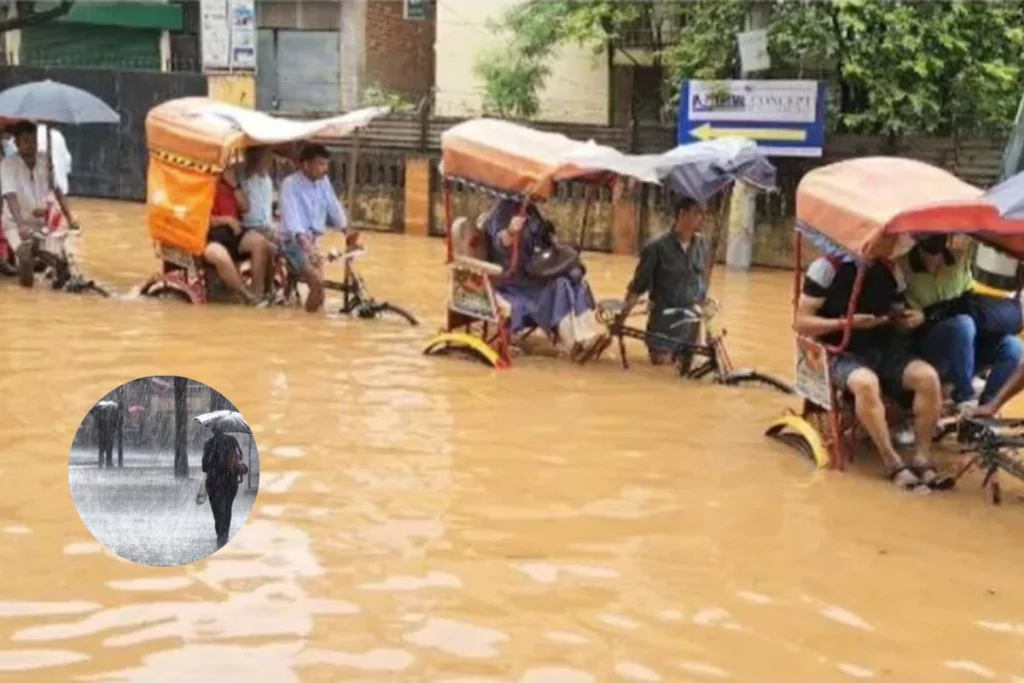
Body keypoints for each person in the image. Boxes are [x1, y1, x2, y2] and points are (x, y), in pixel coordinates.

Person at [795, 254, 951, 492]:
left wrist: (912, 319)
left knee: (928, 378)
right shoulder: (826, 268)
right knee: (865, 383)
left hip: (884, 350)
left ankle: (921, 458)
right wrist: (846, 323)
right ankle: (892, 462)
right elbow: (801, 322)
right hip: (839, 352)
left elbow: (897, 317)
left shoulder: (891, 268)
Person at [896, 234, 1024, 414]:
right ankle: (965, 397)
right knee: (962, 324)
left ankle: (984, 410)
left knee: (1013, 346)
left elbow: (970, 300)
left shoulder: (958, 259)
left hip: (965, 346)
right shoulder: (902, 266)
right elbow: (900, 317)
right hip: (928, 344)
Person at [481, 198, 607, 360]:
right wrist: (511, 231)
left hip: (531, 274)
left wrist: (550, 238)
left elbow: (542, 241)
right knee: (560, 285)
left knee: (574, 283)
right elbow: (500, 241)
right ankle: (572, 343)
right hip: (512, 282)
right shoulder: (503, 209)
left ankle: (585, 336)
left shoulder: (531, 209)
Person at [619, 196, 709, 365]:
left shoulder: (701, 245)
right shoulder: (657, 248)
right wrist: (620, 320)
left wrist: (705, 324)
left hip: (690, 330)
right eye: (697, 213)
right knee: (661, 377)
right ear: (682, 214)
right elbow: (637, 288)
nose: (702, 219)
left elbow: (700, 286)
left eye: (703, 214)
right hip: (663, 330)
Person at [1, 121, 79, 288]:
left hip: (40, 222)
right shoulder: (7, 165)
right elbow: (10, 195)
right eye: (26, 141)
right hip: (15, 223)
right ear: (17, 143)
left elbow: (56, 190)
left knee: (61, 262)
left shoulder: (44, 160)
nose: (31, 146)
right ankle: (26, 297)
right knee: (25, 257)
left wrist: (70, 217)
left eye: (34, 141)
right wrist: (21, 224)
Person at [278, 143, 355, 313]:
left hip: (314, 242)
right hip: (293, 244)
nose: (324, 169)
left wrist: (346, 230)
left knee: (320, 296)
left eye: (326, 164)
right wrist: (306, 245)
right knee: (317, 285)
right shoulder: (290, 184)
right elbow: (292, 220)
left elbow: (333, 206)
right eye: (320, 164)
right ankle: (306, 327)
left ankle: (311, 320)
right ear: (306, 164)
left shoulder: (324, 182)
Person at [205, 164, 272, 306]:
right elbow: (197, 218)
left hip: (234, 235)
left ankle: (257, 292)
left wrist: (234, 186)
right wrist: (226, 220)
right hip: (209, 238)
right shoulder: (204, 183)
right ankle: (246, 295)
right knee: (220, 256)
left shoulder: (233, 184)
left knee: (260, 242)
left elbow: (246, 207)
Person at [201, 428, 244, 549]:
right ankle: (224, 536)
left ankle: (221, 537)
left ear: (213, 430)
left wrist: (214, 462)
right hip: (231, 481)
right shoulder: (232, 441)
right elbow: (240, 457)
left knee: (218, 512)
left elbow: (204, 467)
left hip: (214, 483)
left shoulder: (209, 444)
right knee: (227, 509)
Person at [37, 124, 72, 196]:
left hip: (46, 187)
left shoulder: (36, 134)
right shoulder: (58, 135)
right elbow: (67, 158)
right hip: (56, 186)